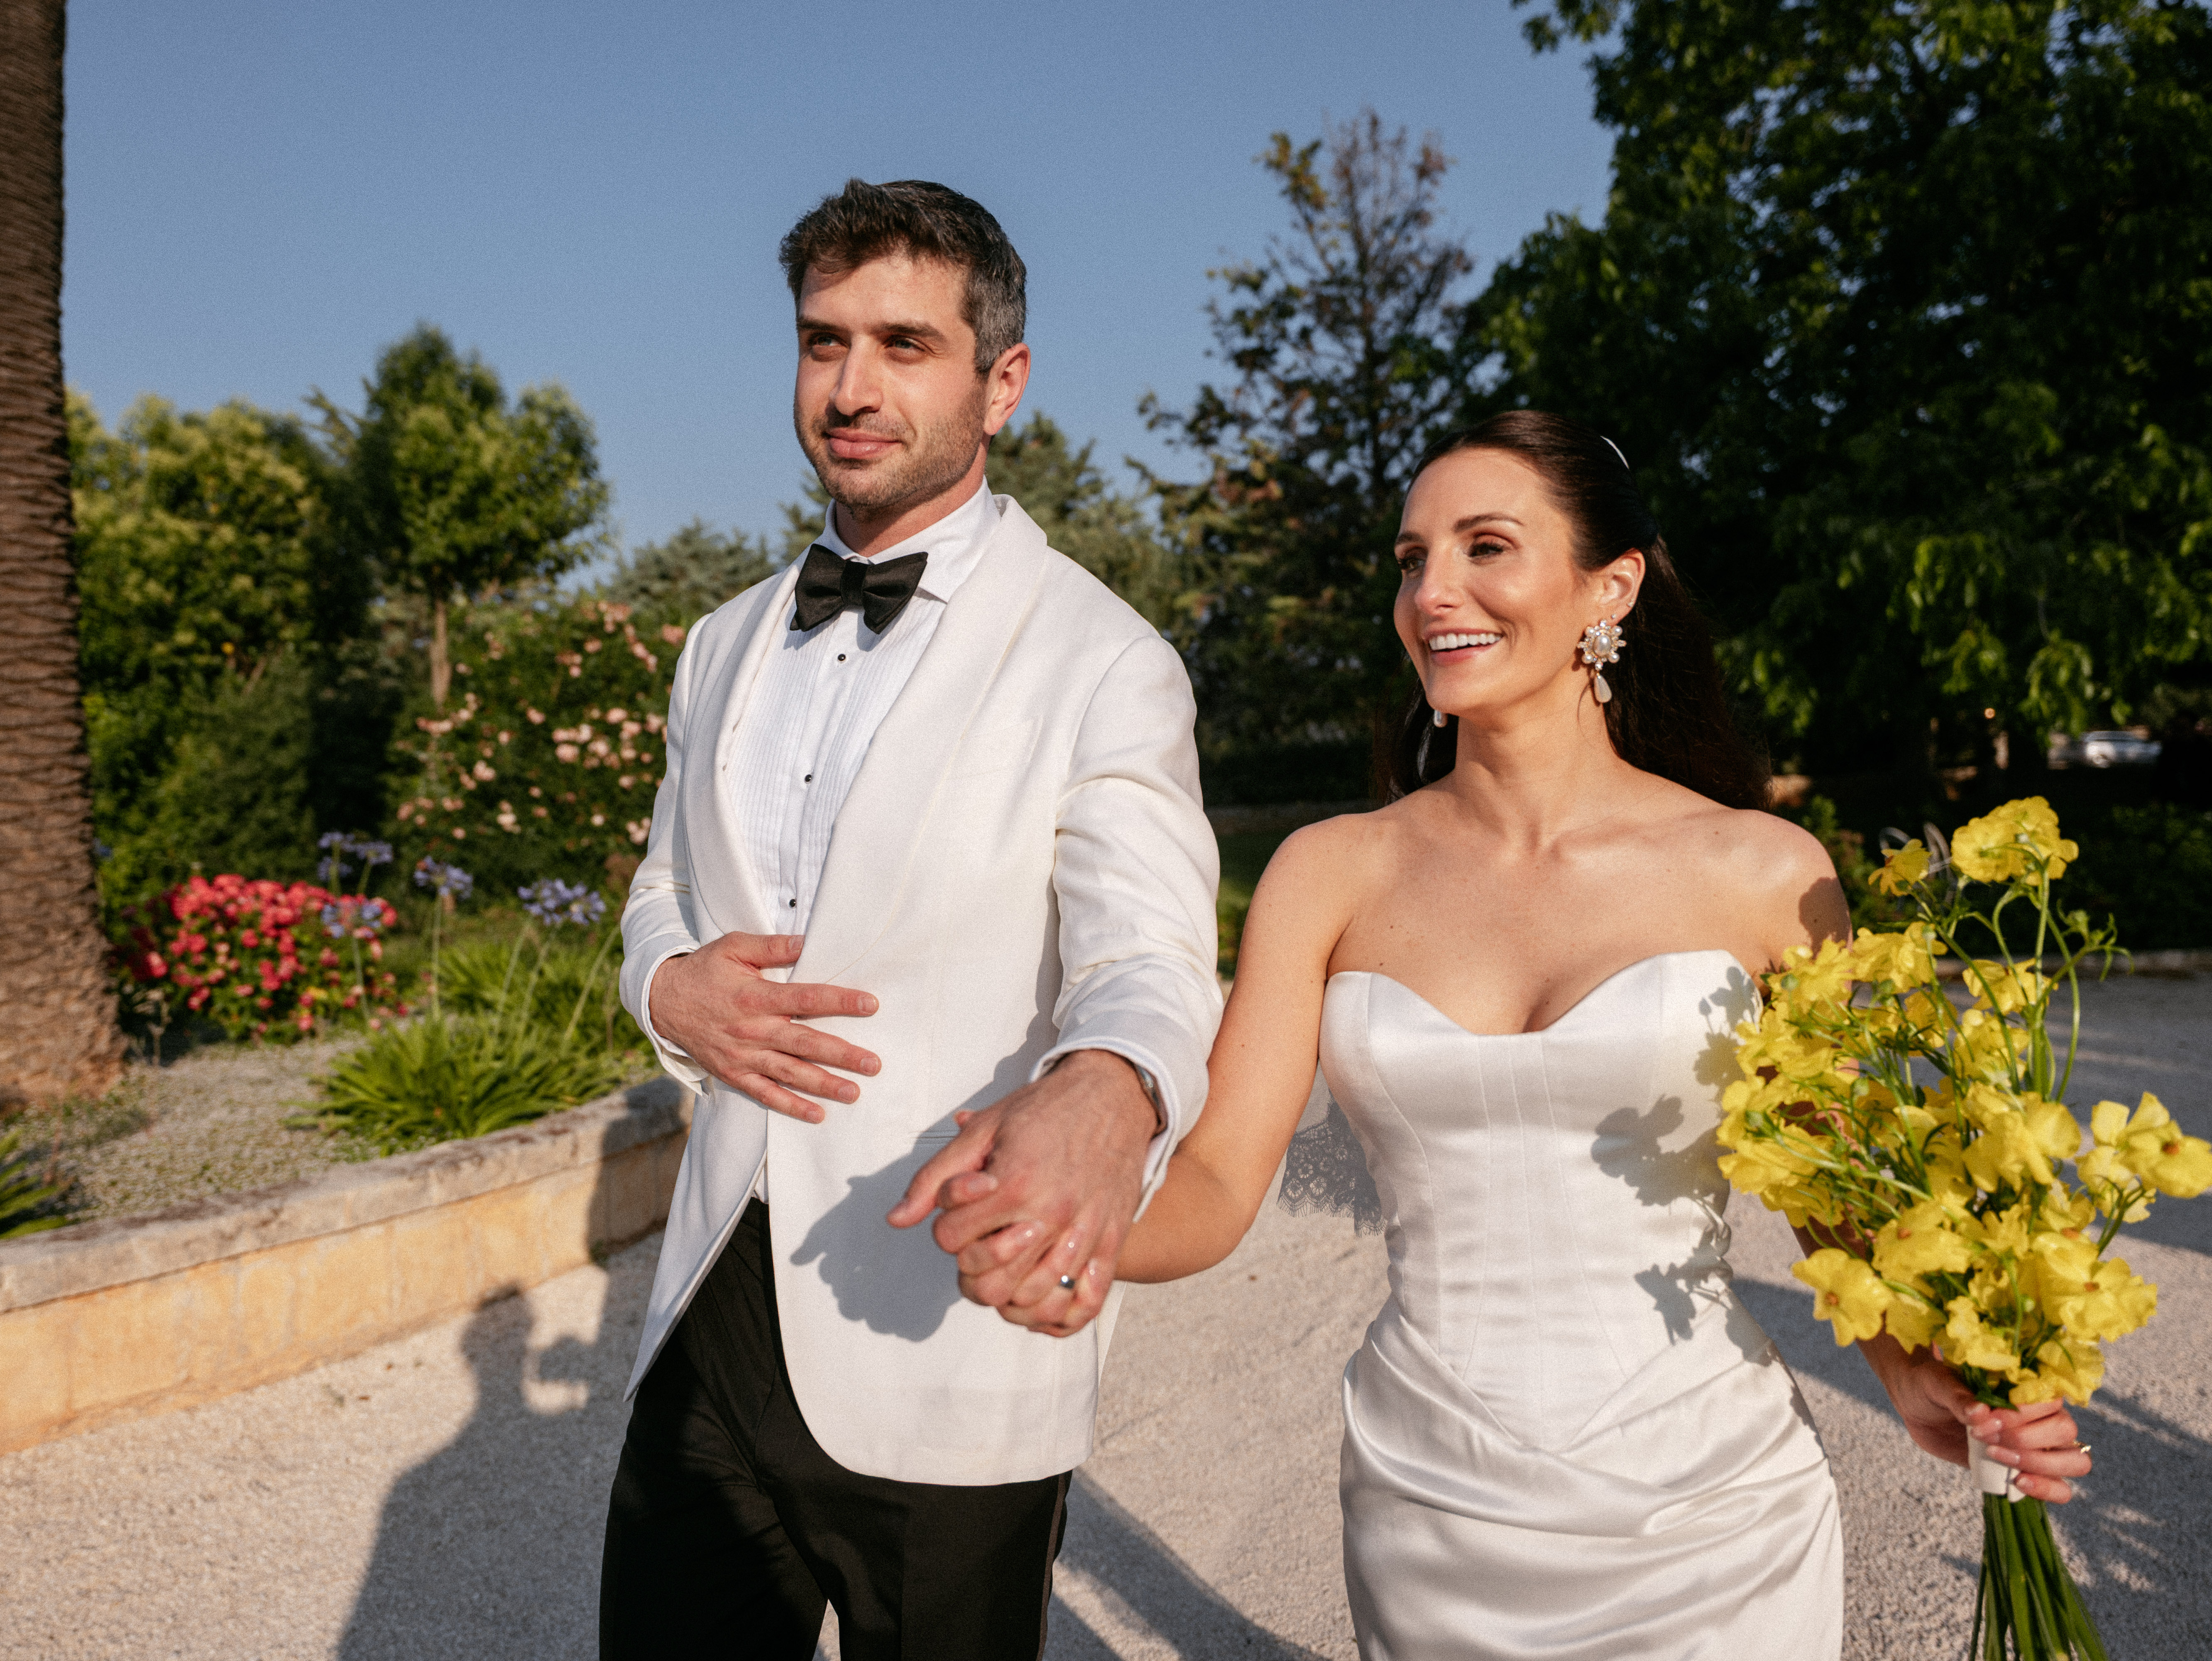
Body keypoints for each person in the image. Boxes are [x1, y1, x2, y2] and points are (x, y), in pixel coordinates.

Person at [932, 411, 2093, 1658]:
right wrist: (1070, 1227)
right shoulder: (1328, 875)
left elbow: (1836, 1197)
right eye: (1411, 558)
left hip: (1713, 1512)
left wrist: (1915, 1368)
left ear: (1614, 585)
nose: (1435, 592)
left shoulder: (1766, 875)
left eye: (1487, 547)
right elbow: (1216, 1181)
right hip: (1436, 1512)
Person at [601, 178, 1221, 1661]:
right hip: (706, 1308)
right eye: (823, 343)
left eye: (903, 344)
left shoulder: (1106, 661)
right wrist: (665, 984)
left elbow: (1149, 957)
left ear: (1001, 383)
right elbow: (660, 886)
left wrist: (1114, 1089)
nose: (852, 388)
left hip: (939, 1319)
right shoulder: (717, 643)